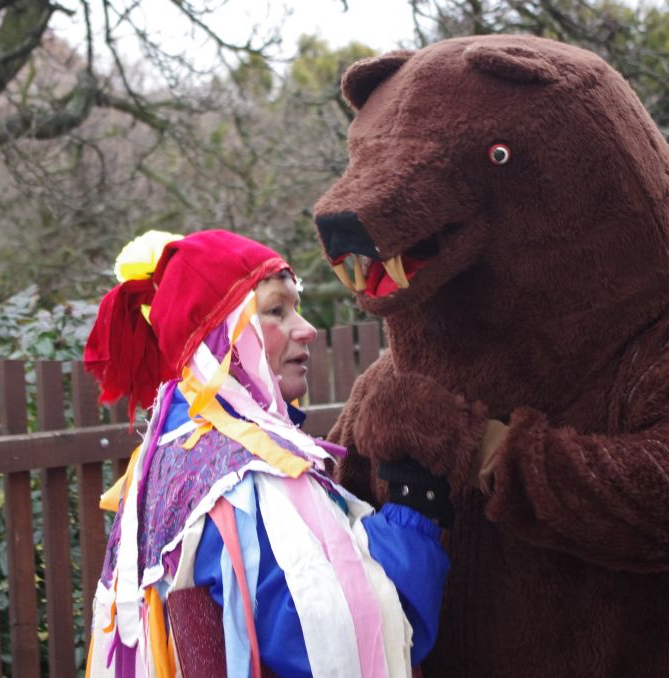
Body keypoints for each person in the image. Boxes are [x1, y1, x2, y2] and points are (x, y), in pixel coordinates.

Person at [83, 229, 450, 678]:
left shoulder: (173, 451)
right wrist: (414, 513)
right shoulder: (241, 477)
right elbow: (329, 642)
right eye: (276, 311)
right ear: (221, 339)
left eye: (296, 306)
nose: (306, 329)